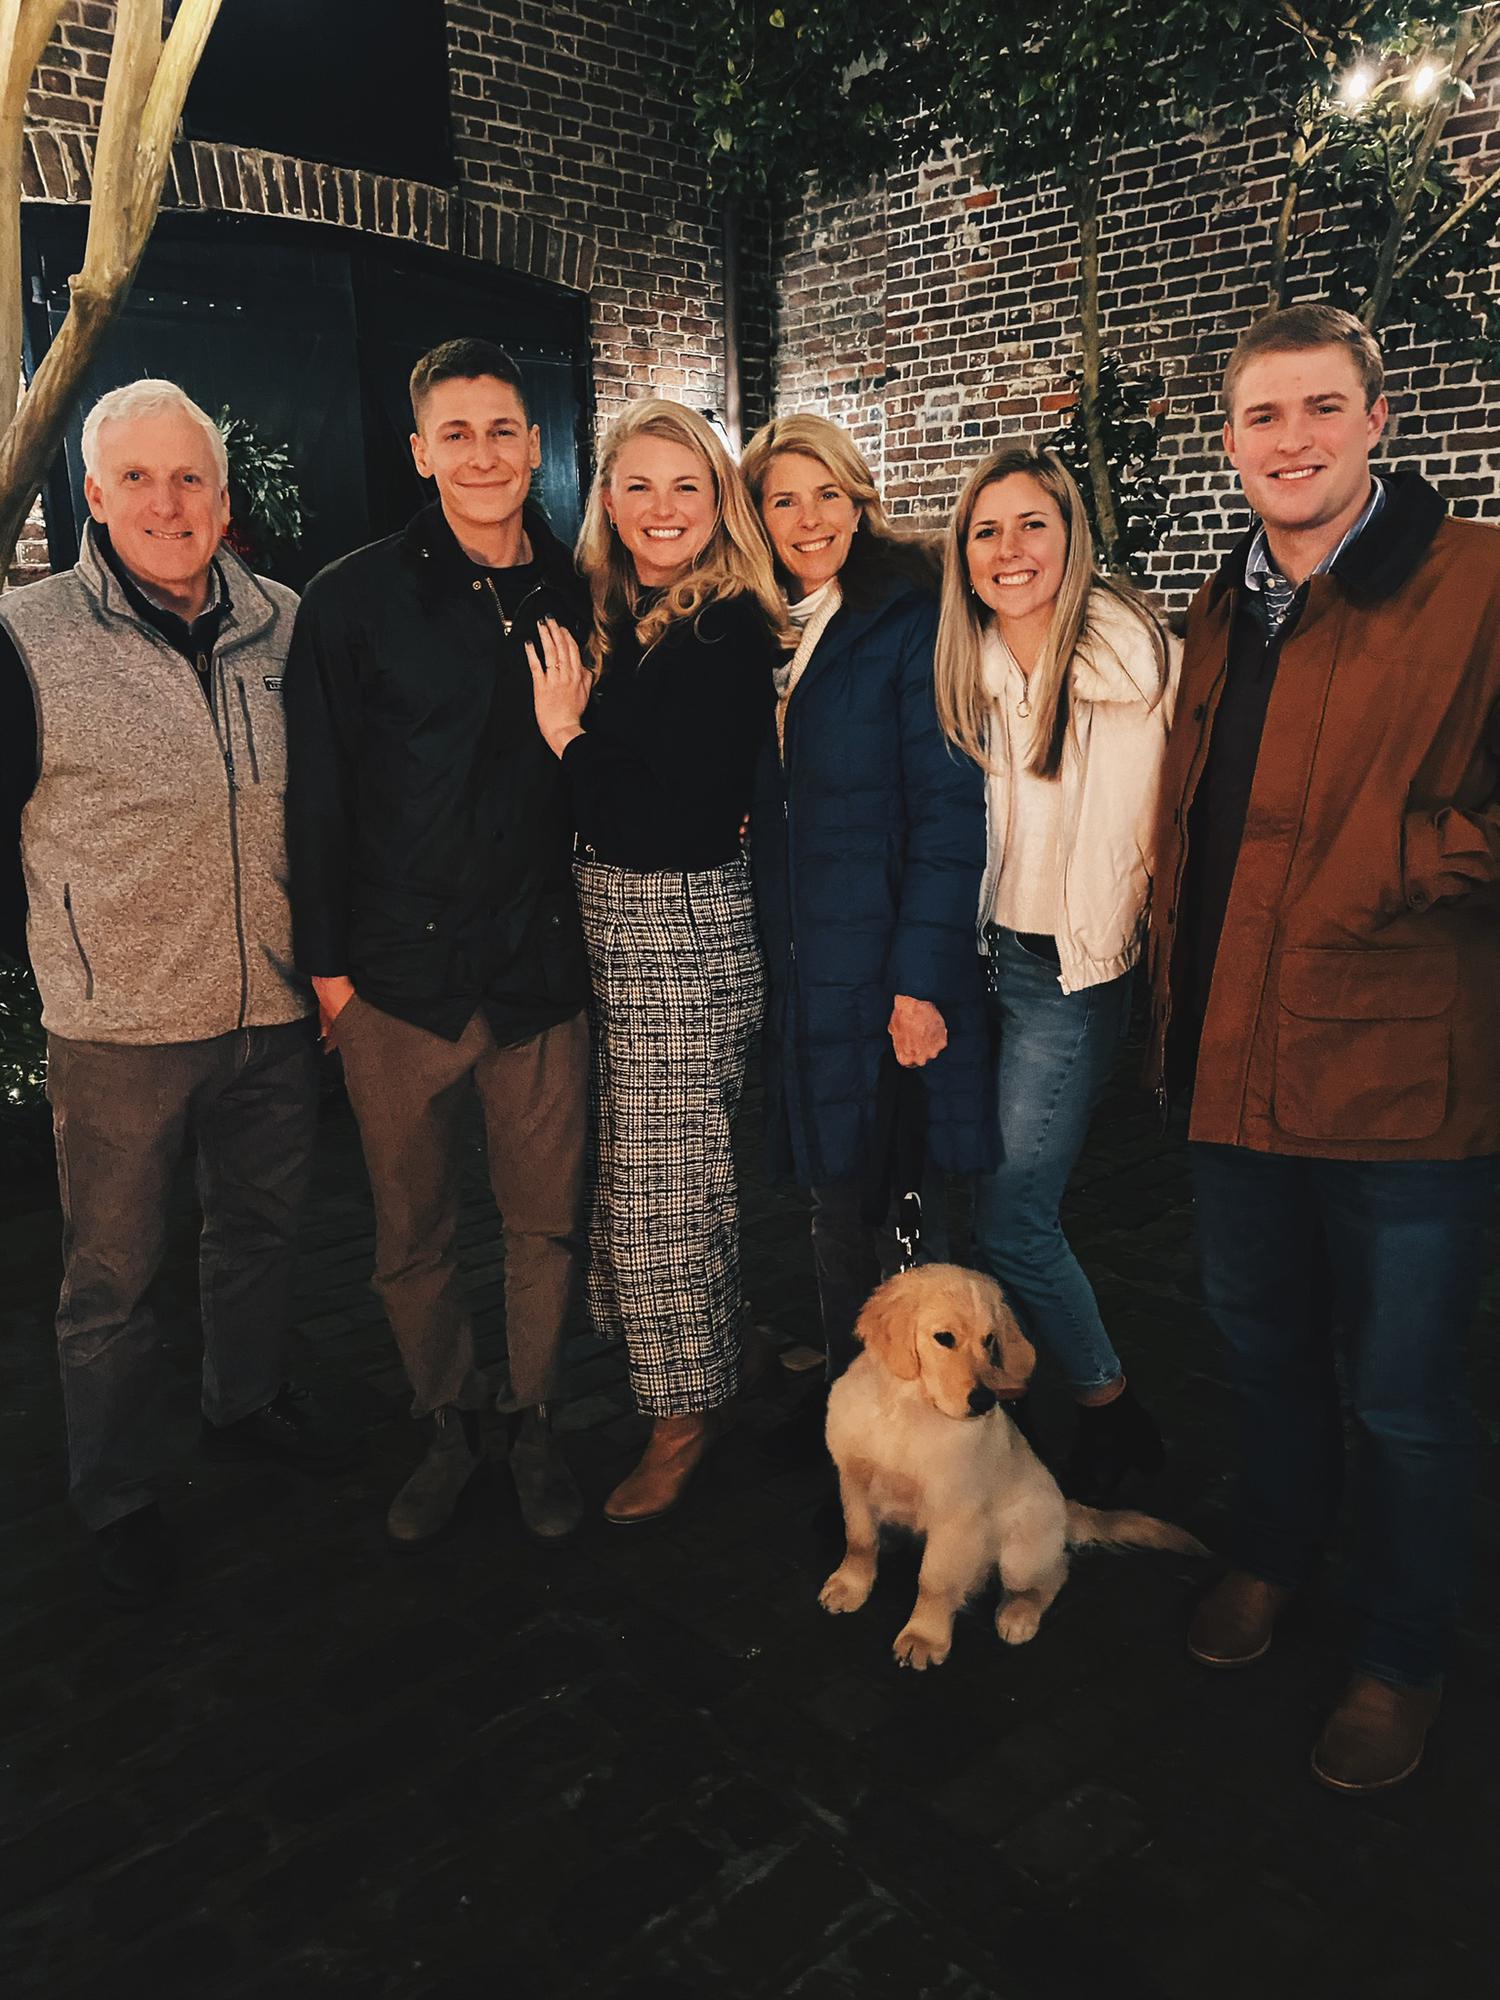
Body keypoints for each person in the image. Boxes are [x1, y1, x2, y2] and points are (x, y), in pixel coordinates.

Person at [1148, 304, 1500, 1792]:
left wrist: (1401, 860)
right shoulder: (1219, 609)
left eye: (1320, 408)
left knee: (1406, 1398)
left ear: (1377, 421)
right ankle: (1278, 1551)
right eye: (1262, 416)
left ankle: (1404, 1650)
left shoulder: (1479, 579)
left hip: (1403, 1081)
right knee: (1266, 1352)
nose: (1290, 440)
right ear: (1232, 442)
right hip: (1237, 1067)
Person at [0, 379, 357, 1608]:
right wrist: (63, 955)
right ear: (94, 496)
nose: (168, 502)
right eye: (139, 479)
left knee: (259, 1231)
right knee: (111, 1279)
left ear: (221, 492)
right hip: (122, 1027)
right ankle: (114, 1490)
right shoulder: (27, 637)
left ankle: (242, 1400)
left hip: (272, 1009)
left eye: (189, 476)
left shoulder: (287, 622)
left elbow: (333, 808)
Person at [285, 338, 590, 1548]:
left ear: (535, 444)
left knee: (543, 1223)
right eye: (455, 433)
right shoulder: (350, 599)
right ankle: (449, 1421)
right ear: (420, 452)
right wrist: (329, 975)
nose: (482, 454)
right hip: (396, 981)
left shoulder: (583, 591)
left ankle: (535, 1419)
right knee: (411, 1233)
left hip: (538, 972)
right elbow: (316, 796)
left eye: (503, 429)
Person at [527, 399, 783, 1524]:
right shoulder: (615, 610)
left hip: (680, 930)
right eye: (638, 484)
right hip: (617, 928)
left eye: (687, 486)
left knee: (662, 1192)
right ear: (608, 498)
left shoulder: (723, 631)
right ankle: (724, 1351)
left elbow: (673, 824)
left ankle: (687, 1413)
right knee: (657, 1173)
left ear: (719, 502)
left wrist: (569, 738)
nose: (662, 508)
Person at [739, 412, 992, 1439]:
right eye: (784, 500)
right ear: (757, 516)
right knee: (836, 1207)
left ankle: (935, 1437)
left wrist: (920, 982)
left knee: (905, 1214)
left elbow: (949, 808)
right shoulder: (758, 630)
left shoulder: (904, 617)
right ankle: (860, 1427)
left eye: (828, 495)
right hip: (809, 972)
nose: (809, 519)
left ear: (860, 502)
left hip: (887, 966)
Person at [934, 446, 1177, 1504]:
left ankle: (1113, 1411)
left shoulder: (1137, 661)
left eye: (1033, 523)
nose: (1010, 549)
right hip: (977, 960)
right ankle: (1004, 1402)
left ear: (1072, 535)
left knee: (1016, 1216)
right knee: (967, 1199)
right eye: (986, 530)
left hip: (1069, 973)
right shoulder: (966, 663)